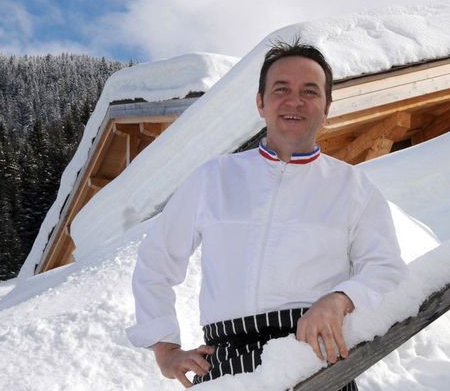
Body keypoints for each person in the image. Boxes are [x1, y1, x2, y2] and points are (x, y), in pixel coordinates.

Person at [126, 40, 408, 390]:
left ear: (327, 107)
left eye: (310, 91)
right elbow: (156, 262)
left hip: (316, 360)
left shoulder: (353, 187)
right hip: (227, 366)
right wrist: (165, 349)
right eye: (281, 89)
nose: (295, 101)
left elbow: (387, 270)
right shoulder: (214, 178)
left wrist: (340, 299)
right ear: (260, 103)